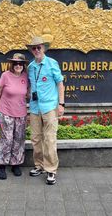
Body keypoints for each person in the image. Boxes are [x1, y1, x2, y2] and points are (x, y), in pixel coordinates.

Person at [26, 36, 65, 185]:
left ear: (44, 48)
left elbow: (60, 84)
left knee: (49, 139)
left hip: (49, 107)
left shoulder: (51, 63)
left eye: (38, 47)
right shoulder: (30, 67)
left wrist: (61, 104)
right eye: (33, 48)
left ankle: (51, 170)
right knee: (36, 138)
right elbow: (30, 84)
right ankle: (39, 166)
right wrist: (28, 93)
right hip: (35, 107)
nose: (36, 50)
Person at [0, 53, 29, 180]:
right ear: (11, 64)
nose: (18, 65)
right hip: (5, 112)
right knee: (6, 140)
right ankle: (2, 166)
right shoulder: (5, 76)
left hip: (21, 114)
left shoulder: (26, 77)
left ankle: (15, 164)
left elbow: (28, 93)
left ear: (23, 65)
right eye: (15, 63)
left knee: (18, 140)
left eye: (20, 63)